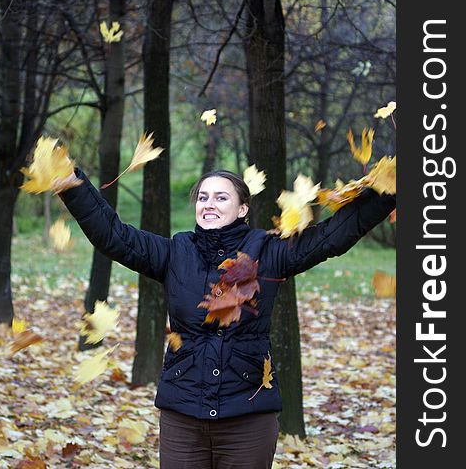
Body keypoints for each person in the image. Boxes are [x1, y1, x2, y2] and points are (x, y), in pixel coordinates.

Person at [56, 167, 396, 469]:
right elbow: (115, 237)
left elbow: (330, 238)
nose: (209, 204)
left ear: (242, 208)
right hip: (183, 415)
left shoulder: (268, 251)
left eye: (221, 197)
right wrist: (75, 187)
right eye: (203, 197)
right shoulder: (176, 251)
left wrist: (389, 189)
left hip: (247, 418)